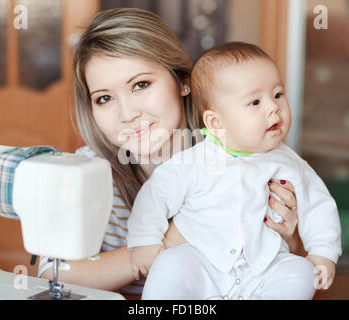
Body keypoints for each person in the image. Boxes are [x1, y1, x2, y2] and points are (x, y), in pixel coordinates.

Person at [38, 8, 306, 297]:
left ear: (182, 81)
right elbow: (52, 274)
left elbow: (291, 263)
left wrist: (290, 239)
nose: (127, 113)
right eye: (104, 98)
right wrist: (164, 243)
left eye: (140, 85)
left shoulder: (243, 150)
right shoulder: (89, 171)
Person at [127, 42, 342, 300]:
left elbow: (318, 205)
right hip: (202, 260)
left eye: (277, 94)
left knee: (301, 272)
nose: (273, 108)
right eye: (255, 102)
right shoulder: (193, 162)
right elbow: (154, 196)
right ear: (216, 123)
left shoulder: (289, 163)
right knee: (170, 265)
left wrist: (322, 252)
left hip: (263, 266)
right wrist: (144, 240)